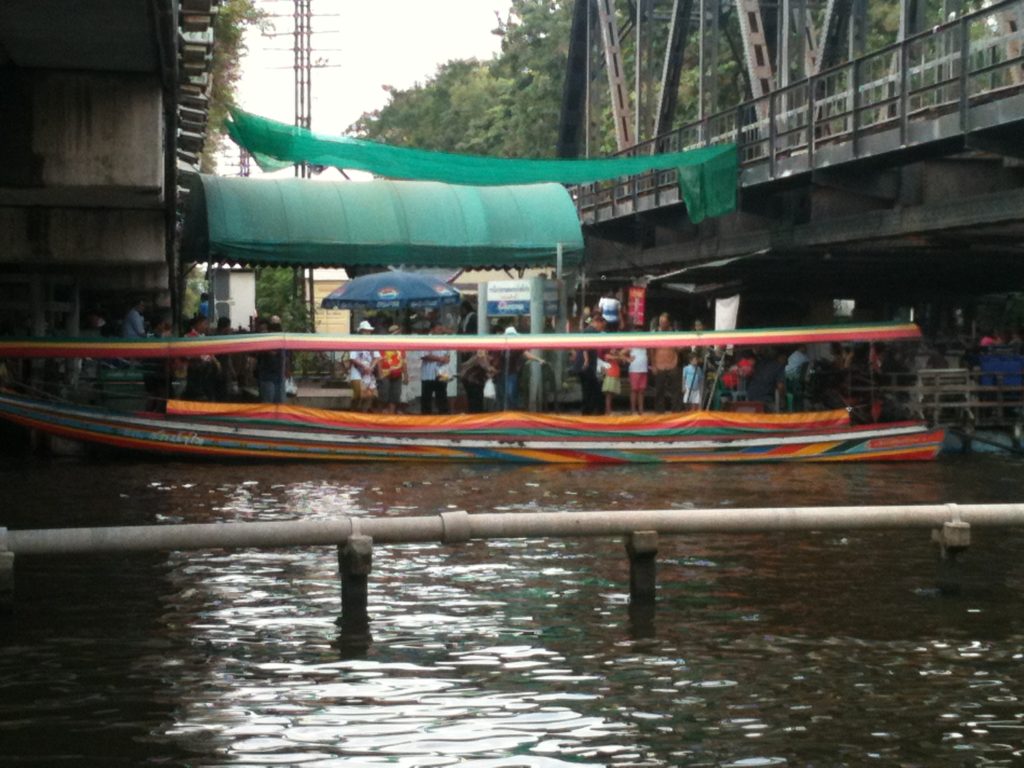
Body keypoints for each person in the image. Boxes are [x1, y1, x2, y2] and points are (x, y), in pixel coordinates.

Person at [650, 312, 681, 413]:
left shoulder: (674, 333)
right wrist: (653, 365)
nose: (662, 324)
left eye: (664, 322)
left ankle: (676, 411)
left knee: (676, 390)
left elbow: (678, 348)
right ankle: (659, 411)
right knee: (659, 390)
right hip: (659, 365)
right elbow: (651, 350)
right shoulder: (654, 333)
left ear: (669, 323)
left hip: (672, 364)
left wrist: (686, 345)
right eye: (660, 322)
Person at [577, 313, 607, 415]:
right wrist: (586, 360)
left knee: (591, 390)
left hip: (587, 366)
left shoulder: (588, 330)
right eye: (602, 326)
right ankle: (590, 412)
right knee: (591, 390)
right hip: (587, 366)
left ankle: (592, 411)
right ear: (597, 323)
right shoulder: (591, 331)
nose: (602, 329)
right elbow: (585, 345)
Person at [420, 324, 451, 415]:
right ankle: (426, 419)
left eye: (441, 329)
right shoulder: (425, 340)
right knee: (427, 397)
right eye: (438, 329)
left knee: (442, 395)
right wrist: (439, 359)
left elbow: (447, 355)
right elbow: (424, 355)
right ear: (432, 329)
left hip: (442, 372)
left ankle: (443, 418)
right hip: (428, 373)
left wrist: (446, 359)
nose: (441, 331)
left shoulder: (444, 340)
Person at [348, 320, 379, 411]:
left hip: (368, 371)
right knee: (358, 394)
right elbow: (352, 358)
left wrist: (371, 367)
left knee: (370, 395)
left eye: (368, 331)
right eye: (365, 331)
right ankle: (353, 411)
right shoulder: (355, 342)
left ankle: (363, 413)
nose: (367, 333)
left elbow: (377, 357)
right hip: (357, 371)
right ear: (361, 331)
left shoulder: (373, 343)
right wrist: (364, 366)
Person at [377, 324, 407, 414]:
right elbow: (379, 360)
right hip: (385, 373)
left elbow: (403, 361)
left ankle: (391, 414)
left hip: (397, 373)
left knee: (395, 395)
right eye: (397, 333)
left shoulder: (401, 345)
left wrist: (406, 375)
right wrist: (380, 374)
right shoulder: (384, 344)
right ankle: (380, 414)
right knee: (384, 394)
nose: (399, 335)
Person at [459, 349, 497, 413]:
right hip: (474, 379)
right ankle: (477, 418)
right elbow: (484, 364)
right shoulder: (481, 350)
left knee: (472, 401)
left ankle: (473, 416)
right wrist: (494, 370)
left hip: (469, 379)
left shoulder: (474, 350)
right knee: (476, 402)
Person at [625, 344, 648, 415]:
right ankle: (633, 410)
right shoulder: (632, 345)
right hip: (634, 370)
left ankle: (641, 410)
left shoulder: (645, 346)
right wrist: (627, 359)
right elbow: (620, 353)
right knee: (634, 390)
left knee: (641, 391)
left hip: (643, 370)